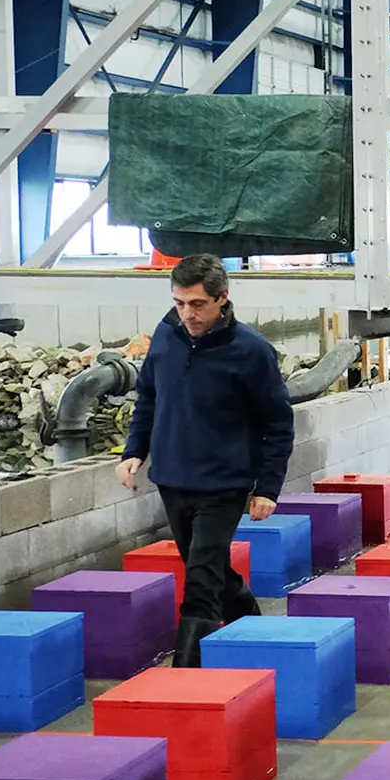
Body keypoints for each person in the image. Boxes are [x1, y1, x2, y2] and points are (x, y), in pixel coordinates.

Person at [117, 254, 295, 669]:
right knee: (209, 569)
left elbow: (278, 424)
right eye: (179, 303)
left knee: (200, 583)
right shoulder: (166, 335)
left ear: (222, 298)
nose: (187, 314)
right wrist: (133, 451)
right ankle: (256, 632)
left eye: (197, 304)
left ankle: (185, 677)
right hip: (172, 479)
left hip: (224, 484)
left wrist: (267, 488)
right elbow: (148, 397)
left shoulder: (252, 351)